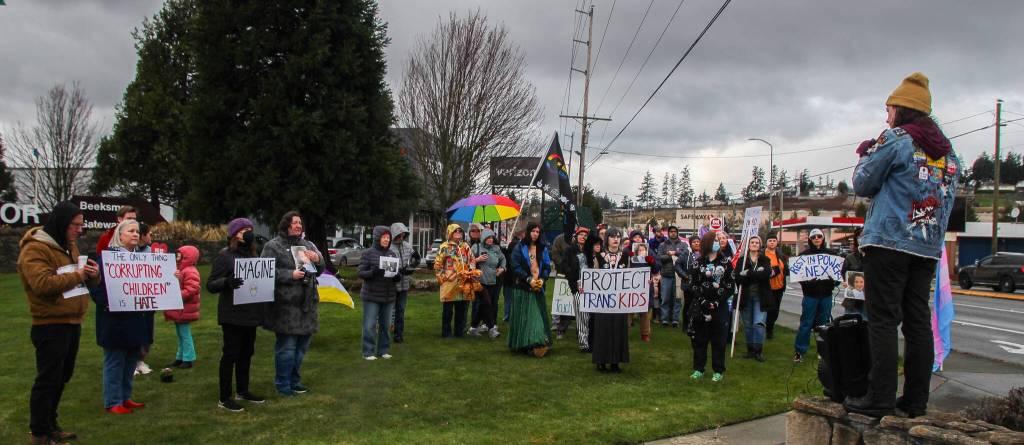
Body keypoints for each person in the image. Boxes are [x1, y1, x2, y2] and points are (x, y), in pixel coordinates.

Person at [845, 72, 960, 417]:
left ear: (903, 110)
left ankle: (879, 397)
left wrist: (868, 152)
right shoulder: (950, 153)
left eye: (889, 108)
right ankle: (915, 400)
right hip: (926, 248)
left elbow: (863, 184)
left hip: (890, 243)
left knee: (882, 320)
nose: (886, 115)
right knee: (917, 322)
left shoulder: (896, 140)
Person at [17, 201, 100, 443]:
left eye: (81, 225)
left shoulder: (69, 246)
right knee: (48, 379)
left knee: (62, 377)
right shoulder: (35, 249)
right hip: (49, 324)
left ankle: (51, 424)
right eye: (75, 225)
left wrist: (91, 277)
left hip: (72, 321)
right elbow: (42, 284)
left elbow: (76, 277)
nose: (79, 230)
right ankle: (40, 432)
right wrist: (79, 275)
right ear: (61, 223)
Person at [89, 219, 153, 414]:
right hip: (114, 320)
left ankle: (126, 397)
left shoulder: (141, 259)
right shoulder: (106, 258)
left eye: (137, 231)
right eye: (130, 231)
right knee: (115, 360)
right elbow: (96, 288)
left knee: (131, 360)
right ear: (120, 235)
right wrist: (109, 303)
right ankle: (113, 401)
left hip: (135, 318)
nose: (135, 234)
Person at [261, 211, 324, 396]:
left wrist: (317, 258)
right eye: (295, 222)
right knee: (287, 347)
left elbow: (320, 269)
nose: (299, 225)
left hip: (307, 304)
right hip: (285, 306)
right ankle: (282, 383)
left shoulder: (308, 244)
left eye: (300, 223)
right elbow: (265, 272)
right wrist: (290, 275)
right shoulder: (273, 246)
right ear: (286, 224)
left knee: (301, 347)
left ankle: (294, 380)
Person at [207, 218, 266, 412]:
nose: (247, 233)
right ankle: (224, 397)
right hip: (232, 315)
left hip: (250, 313)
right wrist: (226, 282)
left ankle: (243, 390)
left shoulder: (253, 256)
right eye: (243, 230)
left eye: (249, 229)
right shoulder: (225, 256)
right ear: (234, 235)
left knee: (246, 353)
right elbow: (211, 284)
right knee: (230, 354)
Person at [687, 230, 735, 382]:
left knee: (719, 340)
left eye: (722, 239)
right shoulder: (697, 263)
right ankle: (698, 369)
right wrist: (702, 301)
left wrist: (717, 301)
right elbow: (692, 284)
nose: (720, 241)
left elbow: (730, 286)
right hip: (701, 307)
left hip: (719, 307)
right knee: (699, 340)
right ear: (708, 242)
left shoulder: (726, 263)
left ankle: (718, 370)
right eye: (716, 239)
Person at [792, 228, 839, 363]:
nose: (817, 239)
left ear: (823, 238)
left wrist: (833, 281)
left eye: (819, 236)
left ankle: (823, 351)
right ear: (810, 240)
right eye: (814, 237)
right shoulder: (804, 255)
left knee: (823, 325)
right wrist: (807, 282)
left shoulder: (831, 254)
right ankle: (800, 351)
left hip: (826, 295)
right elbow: (798, 276)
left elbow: (838, 275)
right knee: (806, 323)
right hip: (810, 296)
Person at [507, 222, 552, 357]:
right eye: (533, 231)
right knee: (524, 317)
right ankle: (524, 343)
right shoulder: (519, 247)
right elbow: (515, 266)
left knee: (537, 316)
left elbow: (547, 267)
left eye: (538, 232)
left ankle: (537, 341)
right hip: (523, 287)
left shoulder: (542, 248)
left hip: (538, 287)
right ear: (528, 232)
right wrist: (528, 279)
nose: (535, 234)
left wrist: (542, 279)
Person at [358, 226, 399, 360]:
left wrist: (397, 276)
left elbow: (395, 273)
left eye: (388, 237)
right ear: (377, 238)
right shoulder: (368, 253)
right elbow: (360, 273)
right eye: (384, 237)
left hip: (388, 295)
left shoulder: (392, 254)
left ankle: (383, 350)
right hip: (372, 295)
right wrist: (373, 272)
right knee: (369, 325)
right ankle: (368, 351)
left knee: (386, 325)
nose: (387, 240)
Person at [592, 228, 630, 372]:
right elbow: (594, 276)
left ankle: (615, 361)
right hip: (603, 300)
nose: (616, 239)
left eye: (618, 236)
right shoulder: (599, 256)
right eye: (612, 236)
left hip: (620, 300)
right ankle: (601, 360)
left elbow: (630, 276)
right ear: (606, 238)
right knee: (603, 328)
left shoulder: (625, 256)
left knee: (618, 328)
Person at [734, 236, 774, 362]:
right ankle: (750, 350)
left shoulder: (765, 259)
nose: (754, 244)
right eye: (752, 242)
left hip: (760, 297)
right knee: (748, 325)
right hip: (746, 296)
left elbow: (766, 274)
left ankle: (758, 351)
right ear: (748, 244)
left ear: (760, 245)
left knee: (758, 323)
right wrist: (757, 273)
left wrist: (749, 273)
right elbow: (738, 278)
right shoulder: (742, 260)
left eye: (757, 242)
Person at [435, 224, 477, 338]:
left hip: (463, 282)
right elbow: (438, 264)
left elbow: (472, 260)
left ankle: (459, 332)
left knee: (461, 308)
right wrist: (442, 278)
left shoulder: (466, 246)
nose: (458, 233)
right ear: (450, 233)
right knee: (448, 310)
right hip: (449, 282)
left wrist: (471, 271)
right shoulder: (444, 246)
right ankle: (446, 333)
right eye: (455, 231)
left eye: (460, 231)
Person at [164, 245, 201, 369]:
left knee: (185, 334)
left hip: (185, 308)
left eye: (180, 254)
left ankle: (188, 358)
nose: (177, 256)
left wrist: (175, 295)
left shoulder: (190, 271)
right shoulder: (182, 270)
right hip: (181, 309)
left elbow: (191, 289)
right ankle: (180, 357)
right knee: (181, 335)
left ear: (187, 256)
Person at [471, 229, 506, 338]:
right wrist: (477, 259)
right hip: (480, 281)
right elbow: (467, 262)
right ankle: (492, 328)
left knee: (484, 305)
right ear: (483, 238)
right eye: (488, 237)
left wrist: (502, 268)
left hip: (494, 281)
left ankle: (473, 327)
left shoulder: (496, 248)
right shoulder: (476, 247)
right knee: (487, 303)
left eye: (492, 238)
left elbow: (503, 258)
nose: (490, 240)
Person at [389, 223, 419, 344]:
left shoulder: (407, 246)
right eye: (399, 235)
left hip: (404, 284)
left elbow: (413, 260)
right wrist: (395, 273)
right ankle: (385, 332)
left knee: (401, 310)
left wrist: (415, 260)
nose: (401, 238)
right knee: (389, 310)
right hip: (391, 285)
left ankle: (398, 335)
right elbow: (386, 266)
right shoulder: (389, 248)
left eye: (403, 235)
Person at [564, 226, 592, 351]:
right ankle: (583, 343)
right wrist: (573, 280)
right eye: (581, 235)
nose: (583, 237)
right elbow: (564, 265)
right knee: (581, 316)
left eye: (585, 235)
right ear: (576, 236)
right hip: (577, 287)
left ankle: (591, 340)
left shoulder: (589, 251)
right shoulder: (570, 250)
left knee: (590, 316)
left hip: (591, 287)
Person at [656, 226, 687, 328]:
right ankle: (665, 319)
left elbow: (685, 255)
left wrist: (675, 253)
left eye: (675, 231)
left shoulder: (683, 244)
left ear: (677, 233)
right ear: (668, 233)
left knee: (677, 299)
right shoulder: (663, 244)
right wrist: (669, 256)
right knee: (665, 298)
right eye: (671, 232)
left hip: (679, 275)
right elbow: (659, 257)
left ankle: (675, 320)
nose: (673, 233)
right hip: (666, 275)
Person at [630, 242, 659, 342]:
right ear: (636, 252)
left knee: (645, 313)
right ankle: (625, 331)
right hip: (632, 289)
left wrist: (652, 262)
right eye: (640, 250)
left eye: (644, 250)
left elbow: (656, 270)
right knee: (629, 312)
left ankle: (645, 334)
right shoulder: (632, 260)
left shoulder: (649, 259)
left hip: (645, 289)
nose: (642, 252)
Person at [763, 232, 788, 340]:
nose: (772, 243)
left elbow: (785, 270)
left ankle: (770, 328)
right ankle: (767, 330)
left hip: (779, 287)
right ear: (766, 242)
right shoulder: (762, 254)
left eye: (774, 241)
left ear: (777, 242)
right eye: (770, 241)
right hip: (767, 288)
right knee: (768, 310)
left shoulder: (780, 255)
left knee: (775, 311)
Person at [676, 235, 701, 332]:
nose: (696, 243)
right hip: (688, 284)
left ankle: (696, 325)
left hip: (699, 284)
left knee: (698, 305)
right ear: (690, 243)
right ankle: (686, 326)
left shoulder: (703, 253)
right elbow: (677, 264)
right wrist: (684, 275)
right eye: (694, 242)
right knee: (688, 305)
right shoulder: (686, 253)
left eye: (698, 242)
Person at [840, 228, 866, 319]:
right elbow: (843, 273)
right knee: (850, 326)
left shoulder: (875, 257)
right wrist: (845, 281)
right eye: (859, 236)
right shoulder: (850, 257)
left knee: (866, 327)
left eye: (864, 235)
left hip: (869, 301)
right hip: (852, 300)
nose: (862, 238)